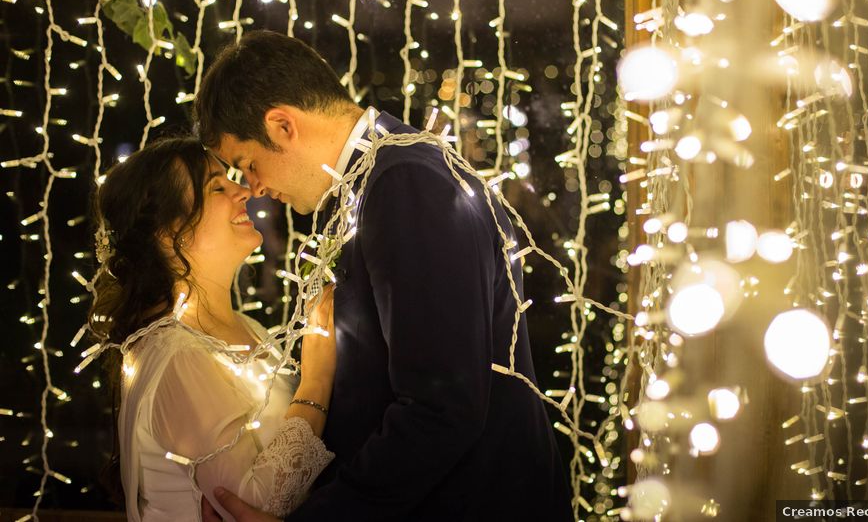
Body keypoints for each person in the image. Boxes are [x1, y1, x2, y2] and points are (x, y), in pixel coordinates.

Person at [194, 30, 573, 521]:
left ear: (282, 125)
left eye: (249, 164)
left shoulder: (403, 182)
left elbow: (440, 409)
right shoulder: (381, 175)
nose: (258, 188)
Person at [88, 137, 337, 521]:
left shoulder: (248, 329)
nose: (243, 191)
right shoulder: (177, 355)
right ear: (169, 234)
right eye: (217, 187)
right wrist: (317, 378)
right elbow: (251, 507)